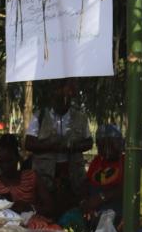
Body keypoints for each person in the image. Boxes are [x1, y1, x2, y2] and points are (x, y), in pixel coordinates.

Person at [25, 78, 92, 212]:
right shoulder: (40, 116)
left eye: (66, 98)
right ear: (52, 96)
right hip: (46, 174)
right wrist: (51, 146)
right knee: (48, 209)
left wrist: (72, 147)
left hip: (72, 173)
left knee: (72, 208)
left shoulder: (80, 117)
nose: (63, 101)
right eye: (59, 97)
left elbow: (89, 142)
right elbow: (29, 143)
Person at [0, 134, 52, 216]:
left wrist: (30, 208)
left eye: (9, 161)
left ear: (18, 158)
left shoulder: (32, 177)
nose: (5, 166)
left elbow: (50, 208)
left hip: (33, 225)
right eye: (1, 162)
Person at [80, 124, 125, 217]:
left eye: (111, 143)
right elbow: (86, 183)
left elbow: (124, 189)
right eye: (102, 144)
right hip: (93, 205)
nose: (107, 148)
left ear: (120, 143)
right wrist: (84, 201)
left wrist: (101, 198)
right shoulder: (97, 160)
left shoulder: (125, 161)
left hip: (114, 206)